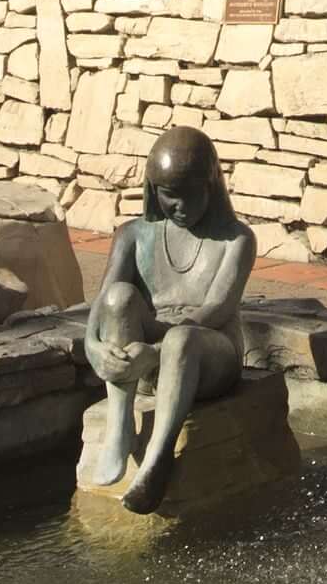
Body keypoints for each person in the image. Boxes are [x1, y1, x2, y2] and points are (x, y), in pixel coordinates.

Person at [79, 126, 257, 513]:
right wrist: (94, 347)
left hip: (210, 354)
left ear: (211, 186)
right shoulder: (132, 234)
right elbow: (102, 303)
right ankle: (120, 423)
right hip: (146, 358)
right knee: (119, 297)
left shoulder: (237, 239)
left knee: (182, 340)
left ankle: (157, 462)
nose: (179, 207)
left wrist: (153, 350)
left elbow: (217, 310)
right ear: (152, 190)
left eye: (189, 196)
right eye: (168, 196)